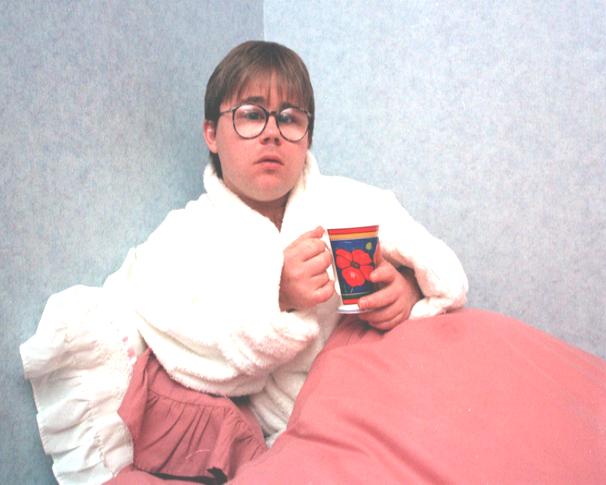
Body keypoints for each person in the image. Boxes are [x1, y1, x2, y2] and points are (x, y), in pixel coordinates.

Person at [20, 40, 468, 483]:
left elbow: (443, 276)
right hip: (288, 435)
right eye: (252, 115)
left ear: (306, 136)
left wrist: (408, 293)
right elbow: (182, 341)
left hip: (377, 399)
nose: (272, 132)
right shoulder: (185, 236)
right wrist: (277, 295)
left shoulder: (354, 203)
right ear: (212, 134)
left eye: (290, 118)